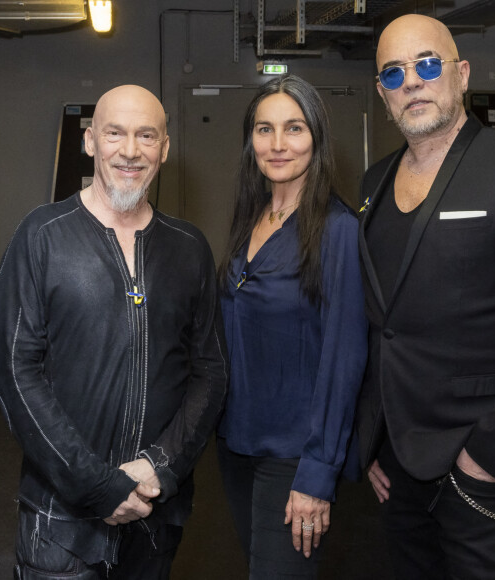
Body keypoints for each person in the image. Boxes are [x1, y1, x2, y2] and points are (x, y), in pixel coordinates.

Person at [356, 13, 495, 580]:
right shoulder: (372, 185)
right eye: (395, 73)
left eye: (428, 64)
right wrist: (371, 437)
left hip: (485, 467)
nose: (414, 81)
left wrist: (490, 455)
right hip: (400, 468)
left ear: (462, 73)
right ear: (382, 93)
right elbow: (382, 323)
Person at [0, 84, 228, 579]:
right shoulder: (41, 235)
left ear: (164, 148)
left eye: (146, 136)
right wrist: (95, 485)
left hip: (154, 514)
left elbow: (210, 371)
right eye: (114, 133)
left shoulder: (189, 248)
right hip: (60, 522)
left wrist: (160, 465)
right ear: (90, 141)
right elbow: (15, 373)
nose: (130, 150)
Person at [216, 74, 367, 578]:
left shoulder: (337, 229)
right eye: (264, 129)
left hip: (294, 456)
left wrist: (318, 474)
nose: (278, 144)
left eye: (294, 128)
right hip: (237, 445)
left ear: (317, 138)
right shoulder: (252, 217)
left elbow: (344, 359)